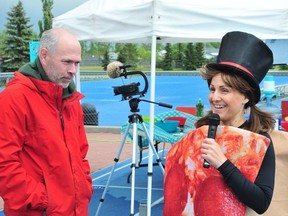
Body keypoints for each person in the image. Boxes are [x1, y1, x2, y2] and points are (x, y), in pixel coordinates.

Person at [163, 31, 275, 216]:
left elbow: (261, 202)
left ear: (246, 96)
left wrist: (223, 163)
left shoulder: (260, 140)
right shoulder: (201, 132)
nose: (215, 97)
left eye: (225, 90)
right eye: (213, 89)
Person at [0, 28, 93, 215]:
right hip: (39, 210)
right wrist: (42, 201)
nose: (72, 70)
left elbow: (80, 152)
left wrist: (84, 188)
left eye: (76, 63)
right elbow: (4, 162)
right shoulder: (15, 98)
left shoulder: (71, 99)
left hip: (76, 209)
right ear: (44, 55)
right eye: (67, 62)